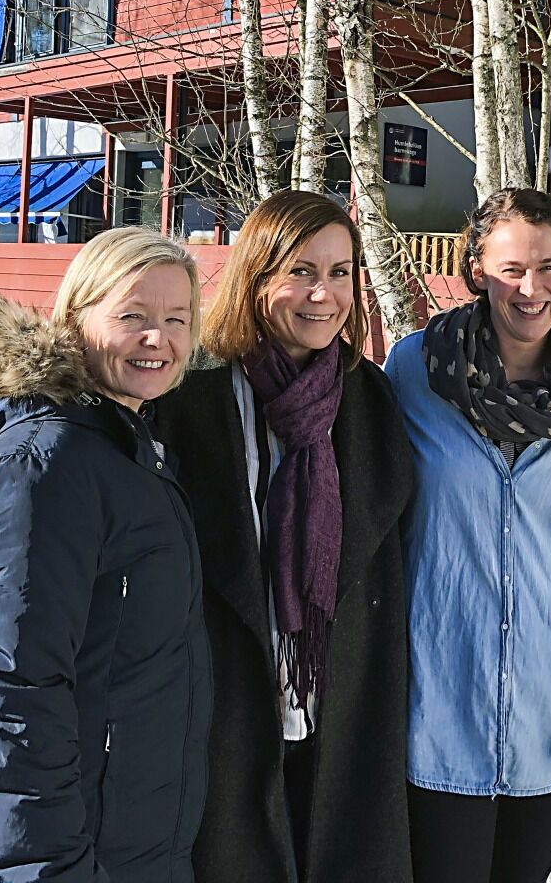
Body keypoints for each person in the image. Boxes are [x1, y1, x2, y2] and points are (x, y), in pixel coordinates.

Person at [0, 227, 211, 883]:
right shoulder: (45, 464)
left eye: (176, 319)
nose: (157, 338)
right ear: (75, 318)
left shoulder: (125, 445)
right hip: (40, 848)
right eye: (132, 316)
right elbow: (10, 689)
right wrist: (46, 868)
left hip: (113, 830)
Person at [150, 190, 414, 883]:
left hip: (342, 703)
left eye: (339, 272)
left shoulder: (371, 400)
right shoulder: (191, 395)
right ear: (257, 275)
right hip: (227, 705)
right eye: (300, 271)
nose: (322, 295)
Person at [384, 187, 551, 883]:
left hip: (550, 713)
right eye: (511, 269)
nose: (531, 289)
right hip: (437, 705)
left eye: (549, 267)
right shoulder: (413, 371)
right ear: (476, 270)